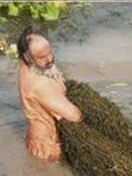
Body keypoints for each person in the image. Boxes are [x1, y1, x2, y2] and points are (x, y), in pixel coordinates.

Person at [16, 27, 82, 161]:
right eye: (42, 57)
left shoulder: (29, 66)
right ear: (27, 57)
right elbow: (74, 116)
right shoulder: (39, 85)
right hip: (47, 146)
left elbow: (53, 71)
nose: (50, 59)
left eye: (50, 52)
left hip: (36, 135)